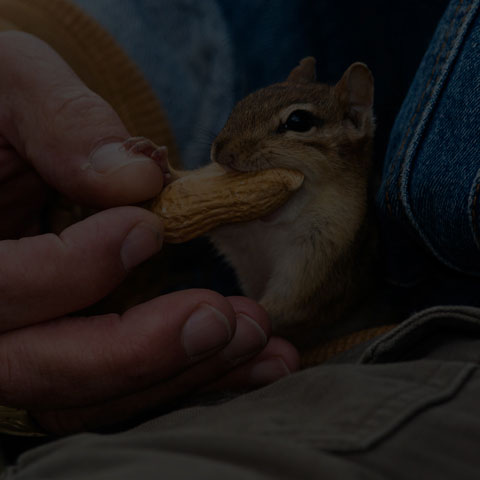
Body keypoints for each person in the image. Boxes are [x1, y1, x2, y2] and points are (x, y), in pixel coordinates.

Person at [2, 0, 480, 478]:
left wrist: (237, 322)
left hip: (369, 362)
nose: (229, 152)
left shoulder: (338, 214)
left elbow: (301, 304)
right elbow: (215, 223)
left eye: (295, 124)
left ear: (353, 119)